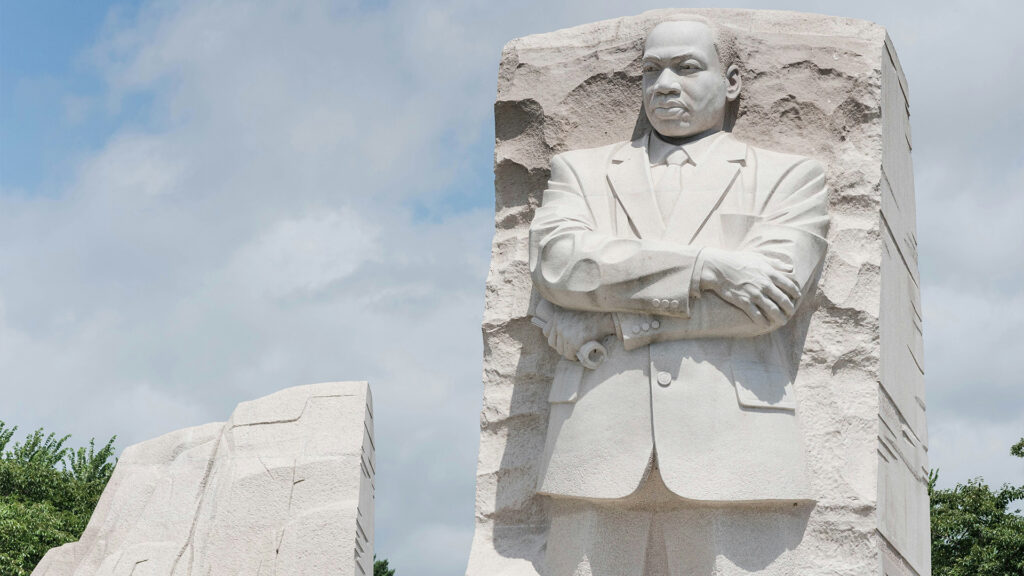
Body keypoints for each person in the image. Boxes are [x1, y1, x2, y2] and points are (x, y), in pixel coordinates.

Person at [528, 16, 830, 575]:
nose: (665, 84)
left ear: (733, 81)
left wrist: (626, 321)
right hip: (595, 442)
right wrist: (707, 266)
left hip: (734, 446)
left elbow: (766, 304)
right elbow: (559, 265)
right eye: (651, 70)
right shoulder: (581, 171)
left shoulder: (789, 176)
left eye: (687, 67)